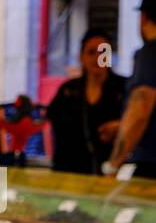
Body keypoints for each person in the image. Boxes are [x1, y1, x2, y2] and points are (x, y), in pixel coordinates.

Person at [46, 29, 128, 175]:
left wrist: (121, 126)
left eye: (103, 52)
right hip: (69, 172)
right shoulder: (68, 90)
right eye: (91, 52)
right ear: (81, 57)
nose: (97, 57)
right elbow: (51, 121)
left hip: (111, 173)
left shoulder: (125, 88)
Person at [104, 0, 156, 179]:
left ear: (143, 18)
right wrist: (122, 126)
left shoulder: (150, 53)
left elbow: (140, 109)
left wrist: (113, 164)